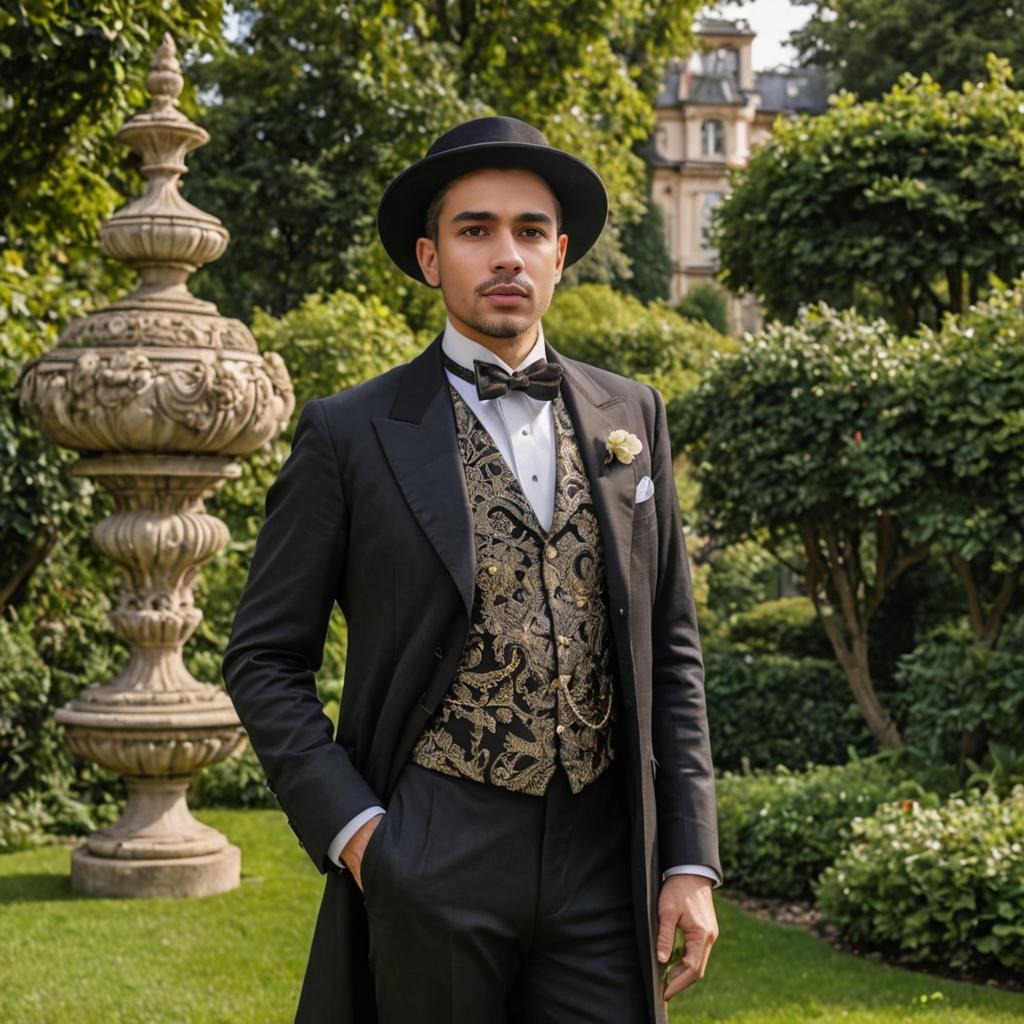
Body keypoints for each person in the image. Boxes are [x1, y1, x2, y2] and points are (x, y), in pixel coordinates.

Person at [222, 115, 721, 1024]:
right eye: (475, 229)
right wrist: (365, 837)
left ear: (561, 255)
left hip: (605, 860)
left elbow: (671, 651)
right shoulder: (349, 434)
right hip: (434, 844)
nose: (507, 255)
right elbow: (264, 657)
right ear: (428, 256)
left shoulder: (631, 415)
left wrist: (687, 859)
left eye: (530, 231)